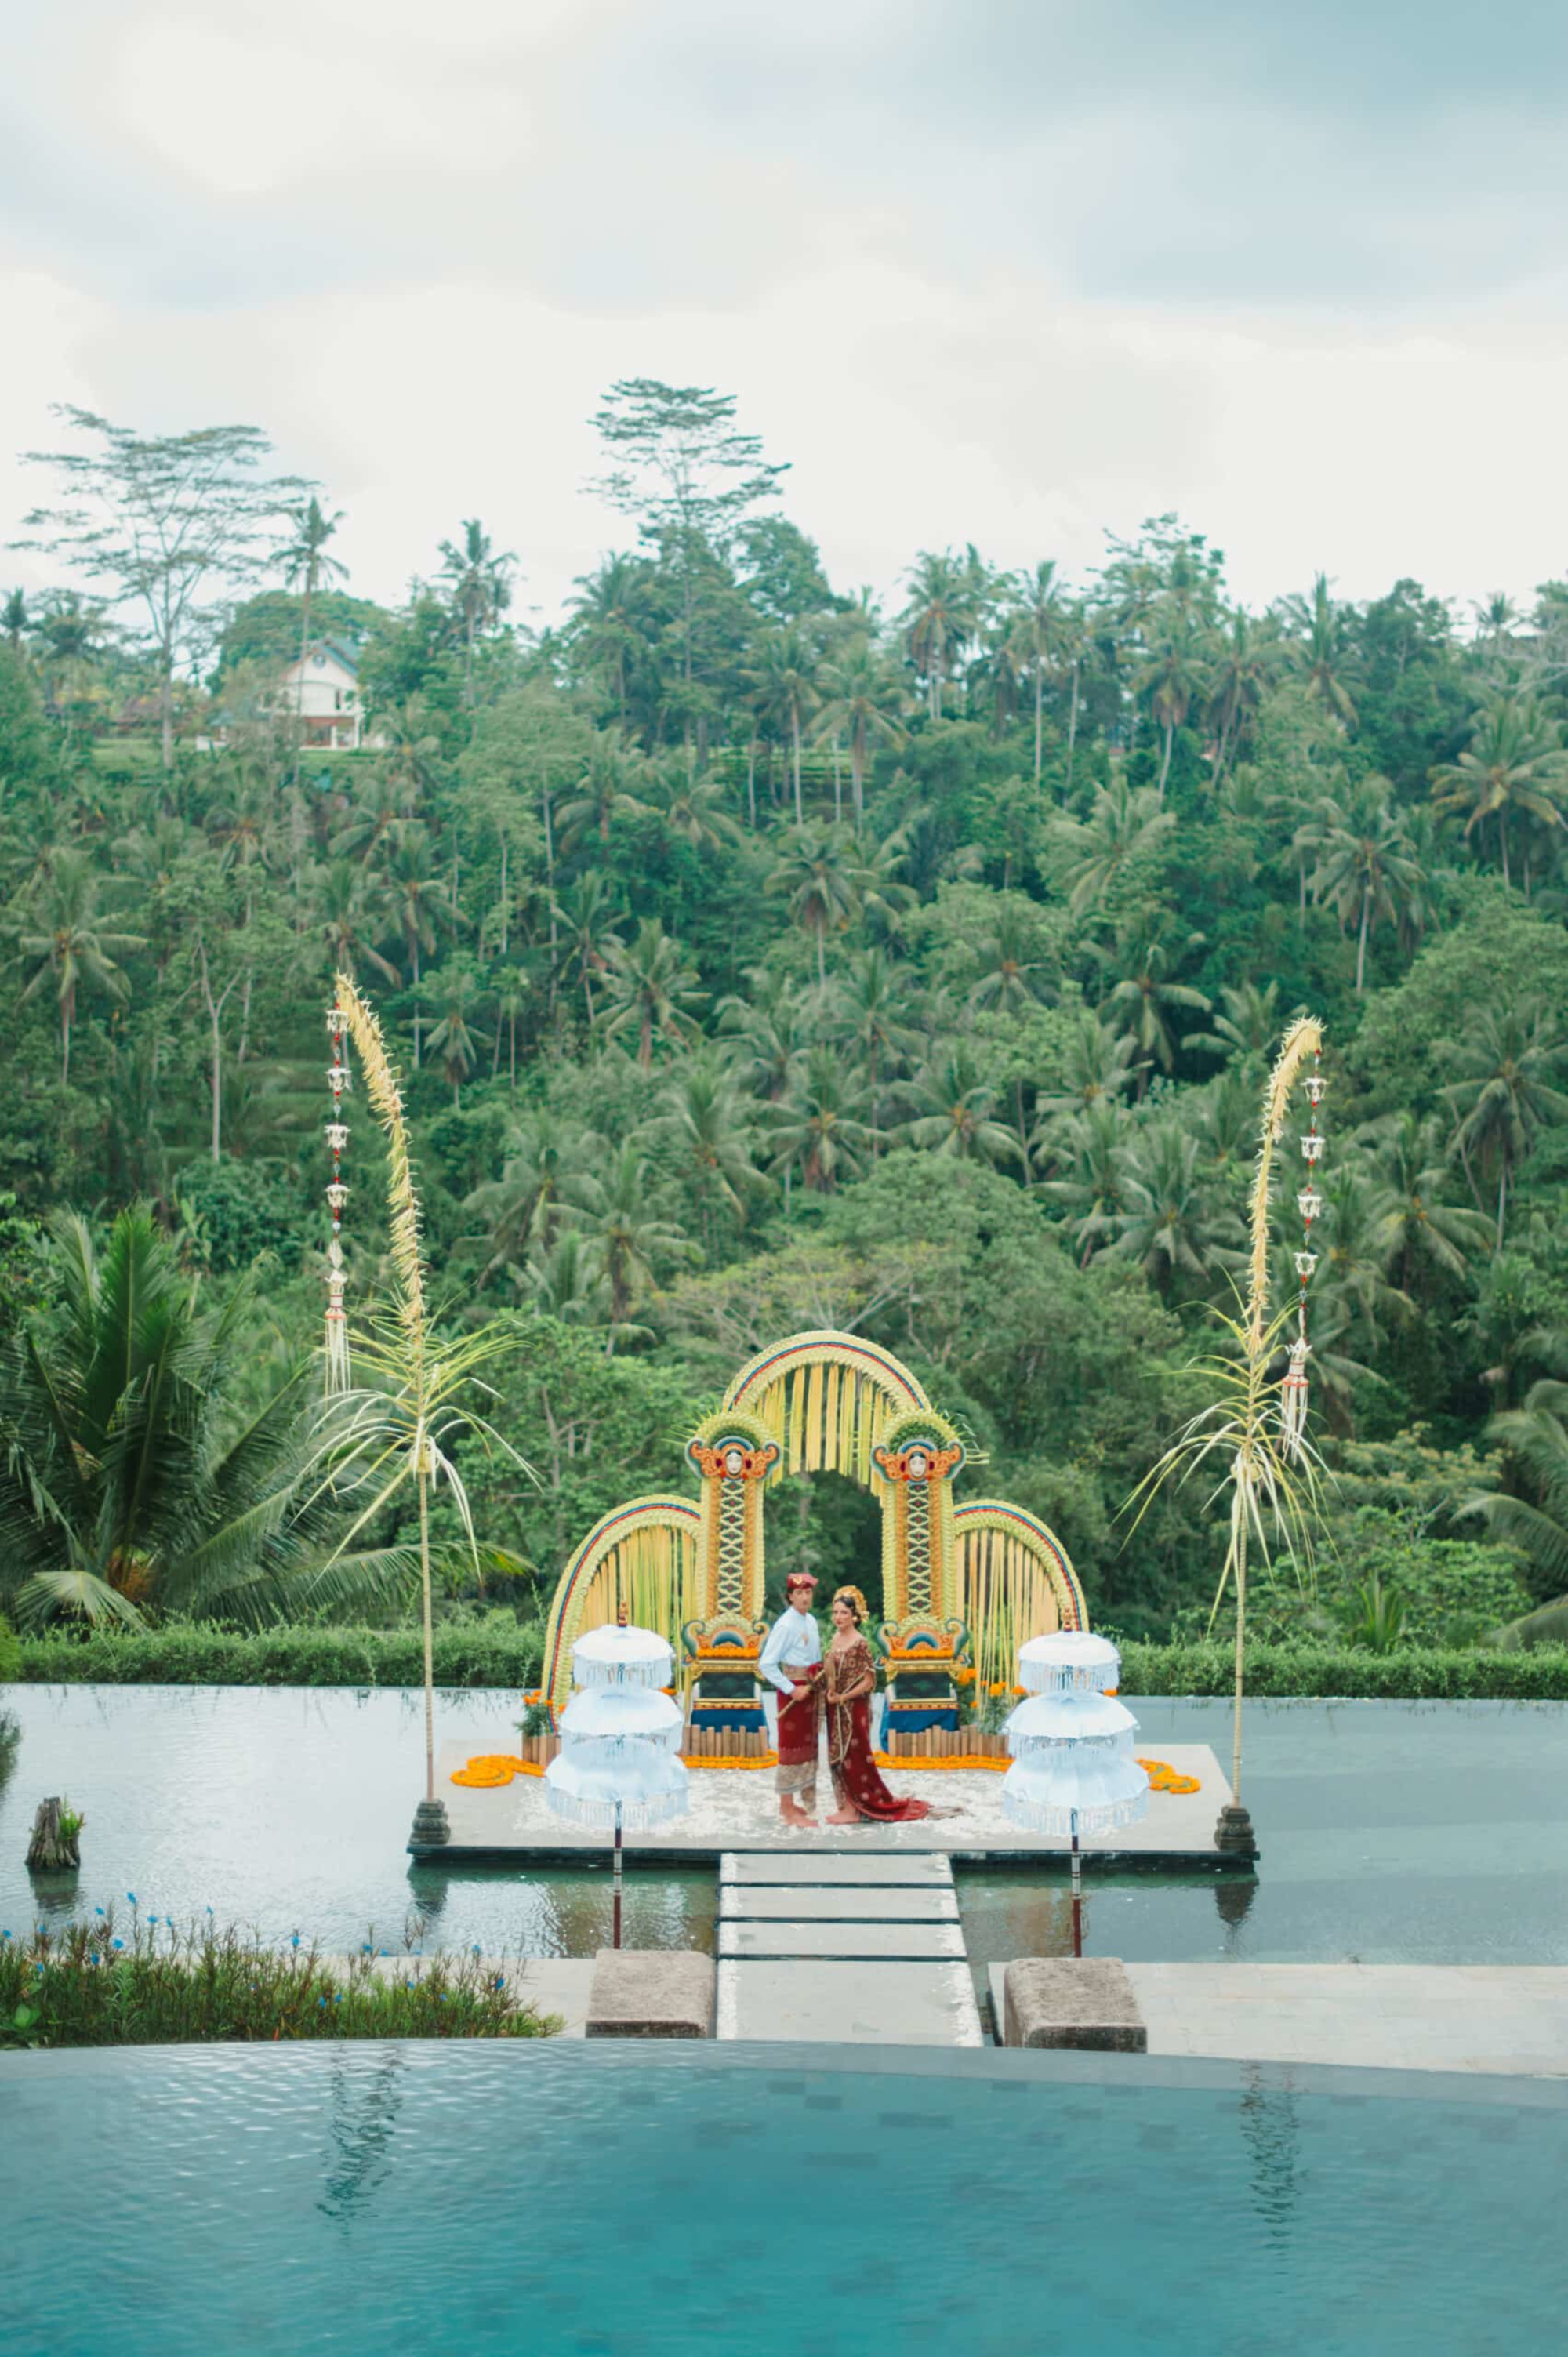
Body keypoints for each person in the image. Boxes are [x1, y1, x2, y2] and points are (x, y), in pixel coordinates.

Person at [824, 1585, 932, 1825]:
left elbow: (869, 1680)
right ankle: (845, 1806)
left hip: (854, 1708)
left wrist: (843, 1697)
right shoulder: (835, 1639)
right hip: (836, 1706)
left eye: (843, 1612)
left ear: (854, 1615)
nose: (838, 1617)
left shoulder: (859, 1642)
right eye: (835, 1612)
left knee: (856, 1755)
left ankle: (856, 1809)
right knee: (838, 1757)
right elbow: (834, 1672)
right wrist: (830, 1687)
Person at [759, 1571, 823, 1824]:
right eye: (799, 1593)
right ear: (790, 1597)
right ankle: (786, 1808)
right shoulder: (785, 1625)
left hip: (810, 1691)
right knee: (790, 1749)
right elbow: (767, 1664)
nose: (805, 1597)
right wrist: (790, 1688)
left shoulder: (812, 1621)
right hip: (793, 1695)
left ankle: (797, 1802)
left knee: (808, 1748)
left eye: (808, 1592)